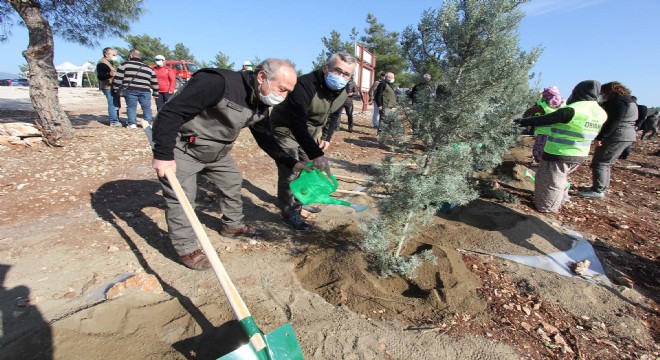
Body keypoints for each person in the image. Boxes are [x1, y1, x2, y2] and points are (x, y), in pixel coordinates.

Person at [151, 58, 305, 270]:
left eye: (288, 91)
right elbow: (171, 112)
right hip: (184, 148)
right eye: (281, 88)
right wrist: (163, 155)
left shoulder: (260, 102)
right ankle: (187, 248)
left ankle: (232, 226)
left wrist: (291, 162)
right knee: (182, 199)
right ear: (261, 77)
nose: (283, 96)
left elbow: (265, 138)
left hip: (218, 152)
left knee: (232, 182)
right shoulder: (217, 83)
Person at [269, 52, 358, 231]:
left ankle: (301, 199)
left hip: (309, 133)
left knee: (309, 169)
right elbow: (297, 122)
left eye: (346, 74)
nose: (341, 77)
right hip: (286, 129)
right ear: (326, 68)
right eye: (337, 70)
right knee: (291, 170)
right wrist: (317, 153)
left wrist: (327, 137)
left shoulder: (343, 90)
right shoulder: (304, 84)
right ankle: (289, 213)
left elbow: (334, 114)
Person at [515, 80, 607, 212]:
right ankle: (560, 198)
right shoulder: (600, 112)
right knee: (560, 178)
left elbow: (544, 119)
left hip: (559, 152)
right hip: (580, 153)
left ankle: (547, 207)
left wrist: (519, 122)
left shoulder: (573, 110)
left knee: (550, 181)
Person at [578, 81, 637, 199]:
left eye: (603, 93)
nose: (602, 95)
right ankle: (601, 187)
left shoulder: (619, 102)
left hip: (617, 135)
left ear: (610, 91)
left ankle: (598, 190)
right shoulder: (629, 100)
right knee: (606, 162)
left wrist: (601, 137)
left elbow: (614, 121)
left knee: (600, 162)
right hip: (626, 134)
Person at [112, 49, 159, 129]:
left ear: (130, 56)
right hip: (145, 90)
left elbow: (118, 78)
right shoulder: (148, 68)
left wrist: (116, 88)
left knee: (131, 107)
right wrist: (155, 93)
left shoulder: (124, 65)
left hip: (130, 89)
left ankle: (132, 124)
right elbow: (154, 81)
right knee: (146, 107)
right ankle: (148, 123)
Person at [522, 86, 564, 163]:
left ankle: (541, 166)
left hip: (544, 134)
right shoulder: (563, 104)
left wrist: (523, 121)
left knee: (538, 152)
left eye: (545, 95)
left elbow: (529, 111)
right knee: (550, 152)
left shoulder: (545, 105)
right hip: (557, 134)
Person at [325, 75, 358, 140]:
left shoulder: (353, 83)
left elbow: (356, 92)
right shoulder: (342, 82)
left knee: (349, 115)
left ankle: (350, 127)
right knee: (338, 115)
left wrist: (352, 94)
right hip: (340, 101)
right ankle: (337, 127)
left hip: (349, 102)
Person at [96, 47, 121, 127]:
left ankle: (116, 119)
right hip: (108, 87)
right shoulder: (102, 63)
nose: (115, 56)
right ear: (106, 54)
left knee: (116, 104)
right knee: (112, 104)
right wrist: (109, 75)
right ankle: (114, 121)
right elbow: (100, 76)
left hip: (113, 86)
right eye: (113, 54)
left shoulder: (108, 62)